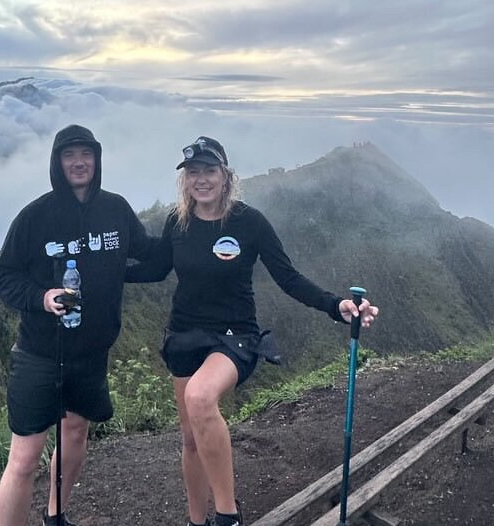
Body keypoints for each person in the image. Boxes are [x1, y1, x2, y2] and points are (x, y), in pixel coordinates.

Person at [126, 136, 379, 526]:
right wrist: (104, 275)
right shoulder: (178, 222)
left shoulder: (249, 222)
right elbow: (157, 268)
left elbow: (288, 277)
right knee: (191, 440)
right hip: (184, 336)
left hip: (234, 337)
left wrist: (335, 306)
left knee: (199, 398)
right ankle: (196, 521)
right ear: (185, 179)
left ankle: (228, 516)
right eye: (193, 172)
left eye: (209, 171)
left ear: (226, 176)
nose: (201, 179)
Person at [0, 124, 157, 526]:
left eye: (86, 154)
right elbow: (4, 275)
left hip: (90, 353)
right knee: (25, 457)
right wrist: (42, 297)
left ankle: (55, 515)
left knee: (76, 433)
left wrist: (194, 232)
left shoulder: (116, 210)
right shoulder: (35, 216)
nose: (79, 162)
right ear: (57, 162)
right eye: (70, 155)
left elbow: (152, 256)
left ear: (97, 159)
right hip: (39, 354)